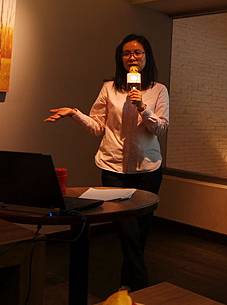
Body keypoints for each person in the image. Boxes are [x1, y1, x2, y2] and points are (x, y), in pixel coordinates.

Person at [44, 34, 169, 290]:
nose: (132, 57)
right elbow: (97, 126)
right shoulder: (109, 88)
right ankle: (139, 285)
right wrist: (74, 113)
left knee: (141, 230)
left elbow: (160, 129)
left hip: (148, 169)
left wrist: (143, 107)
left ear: (147, 57)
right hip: (113, 167)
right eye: (126, 53)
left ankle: (128, 284)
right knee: (127, 230)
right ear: (120, 58)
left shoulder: (158, 90)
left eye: (137, 53)